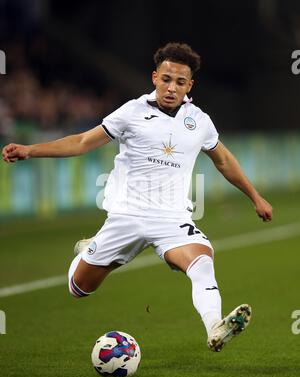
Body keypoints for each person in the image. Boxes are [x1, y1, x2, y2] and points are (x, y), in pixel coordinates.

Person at [2, 42, 273, 352]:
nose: (172, 87)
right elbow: (81, 142)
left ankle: (214, 327)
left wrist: (256, 197)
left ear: (190, 85)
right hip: (126, 216)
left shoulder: (199, 121)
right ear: (155, 77)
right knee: (79, 289)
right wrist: (30, 150)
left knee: (202, 261)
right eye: (167, 79)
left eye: (180, 82)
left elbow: (223, 160)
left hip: (172, 218)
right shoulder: (131, 112)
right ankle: (88, 249)